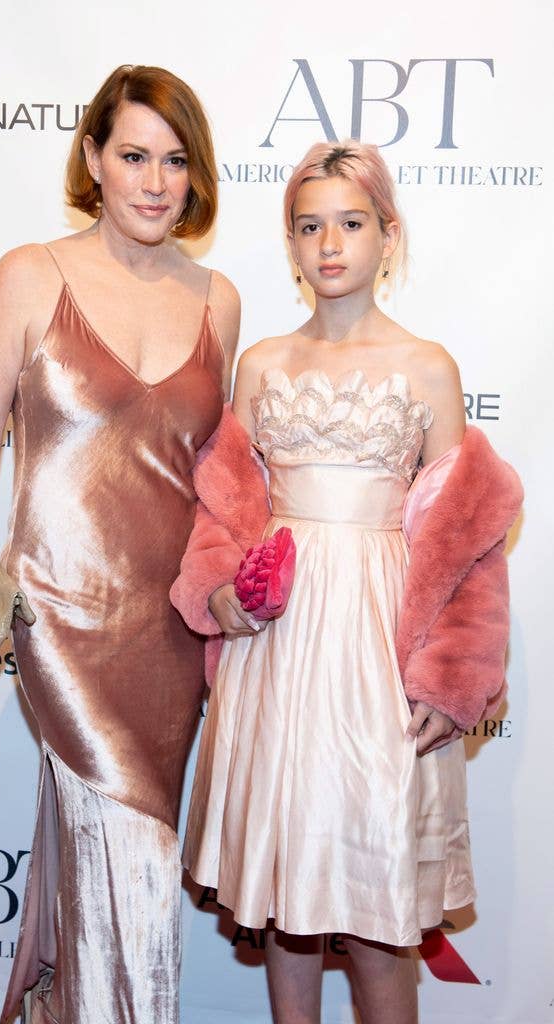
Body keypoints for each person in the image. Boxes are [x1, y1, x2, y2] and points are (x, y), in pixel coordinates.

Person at [0, 64, 240, 1024]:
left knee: (120, 870)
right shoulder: (30, 275)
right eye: (134, 156)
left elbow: (217, 482)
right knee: (127, 870)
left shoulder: (219, 301)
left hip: (171, 637)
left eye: (175, 161)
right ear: (93, 157)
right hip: (57, 617)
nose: (155, 182)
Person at [173, 141, 521, 1024]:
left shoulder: (429, 367)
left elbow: (466, 539)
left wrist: (453, 676)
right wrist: (219, 590)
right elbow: (226, 510)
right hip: (277, 650)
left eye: (352, 223)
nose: (330, 244)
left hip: (378, 648)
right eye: (309, 226)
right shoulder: (260, 365)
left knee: (377, 912)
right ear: (291, 242)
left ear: (388, 236)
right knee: (285, 903)